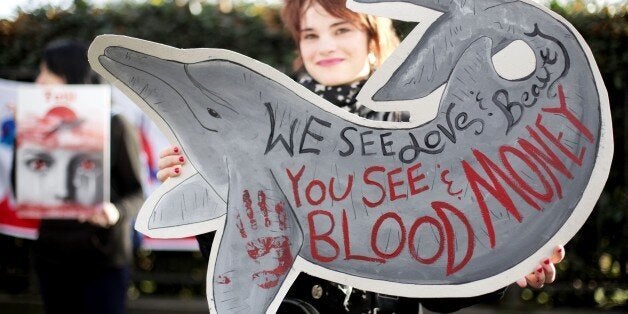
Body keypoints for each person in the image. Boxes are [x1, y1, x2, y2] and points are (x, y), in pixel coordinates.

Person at [156, 0, 564, 312]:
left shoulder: (424, 130)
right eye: (310, 35)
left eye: (341, 29)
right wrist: (207, 185)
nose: (325, 46)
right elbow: (239, 265)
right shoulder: (258, 128)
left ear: (371, 37)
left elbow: (442, 276)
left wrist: (512, 268)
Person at [12, 39, 145, 314]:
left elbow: (137, 193)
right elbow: (20, 188)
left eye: (45, 73)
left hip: (103, 258)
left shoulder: (116, 123)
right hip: (52, 256)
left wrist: (114, 212)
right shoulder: (36, 125)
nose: (38, 82)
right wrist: (25, 137)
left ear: (68, 75)